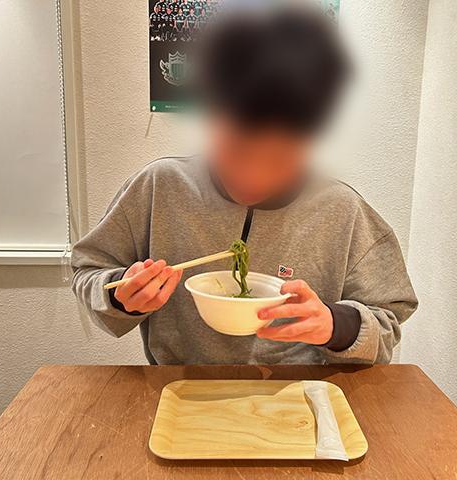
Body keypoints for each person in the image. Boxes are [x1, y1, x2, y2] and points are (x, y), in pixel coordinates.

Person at [72, 6, 418, 365]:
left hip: (299, 391)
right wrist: (121, 295)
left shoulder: (343, 211)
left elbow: (388, 321)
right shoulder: (160, 188)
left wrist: (337, 325)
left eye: (280, 158)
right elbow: (89, 269)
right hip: (180, 386)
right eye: (236, 150)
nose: (253, 177)